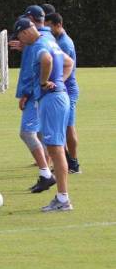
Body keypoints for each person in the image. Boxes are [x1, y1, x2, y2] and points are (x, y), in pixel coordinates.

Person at [13, 18, 74, 211]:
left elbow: (46, 59)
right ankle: (62, 197)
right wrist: (60, 81)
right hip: (59, 97)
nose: (21, 41)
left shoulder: (40, 46)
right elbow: (68, 62)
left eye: (20, 37)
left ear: (25, 32)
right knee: (56, 150)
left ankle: (63, 200)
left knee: (56, 151)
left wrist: (43, 82)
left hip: (51, 100)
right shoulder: (50, 41)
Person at [46, 12, 81, 174]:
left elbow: (68, 66)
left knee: (68, 127)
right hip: (61, 89)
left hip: (68, 90)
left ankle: (74, 164)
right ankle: (65, 160)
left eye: (49, 26)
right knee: (60, 127)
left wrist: (57, 82)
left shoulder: (65, 43)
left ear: (57, 25)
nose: (46, 29)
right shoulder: (57, 40)